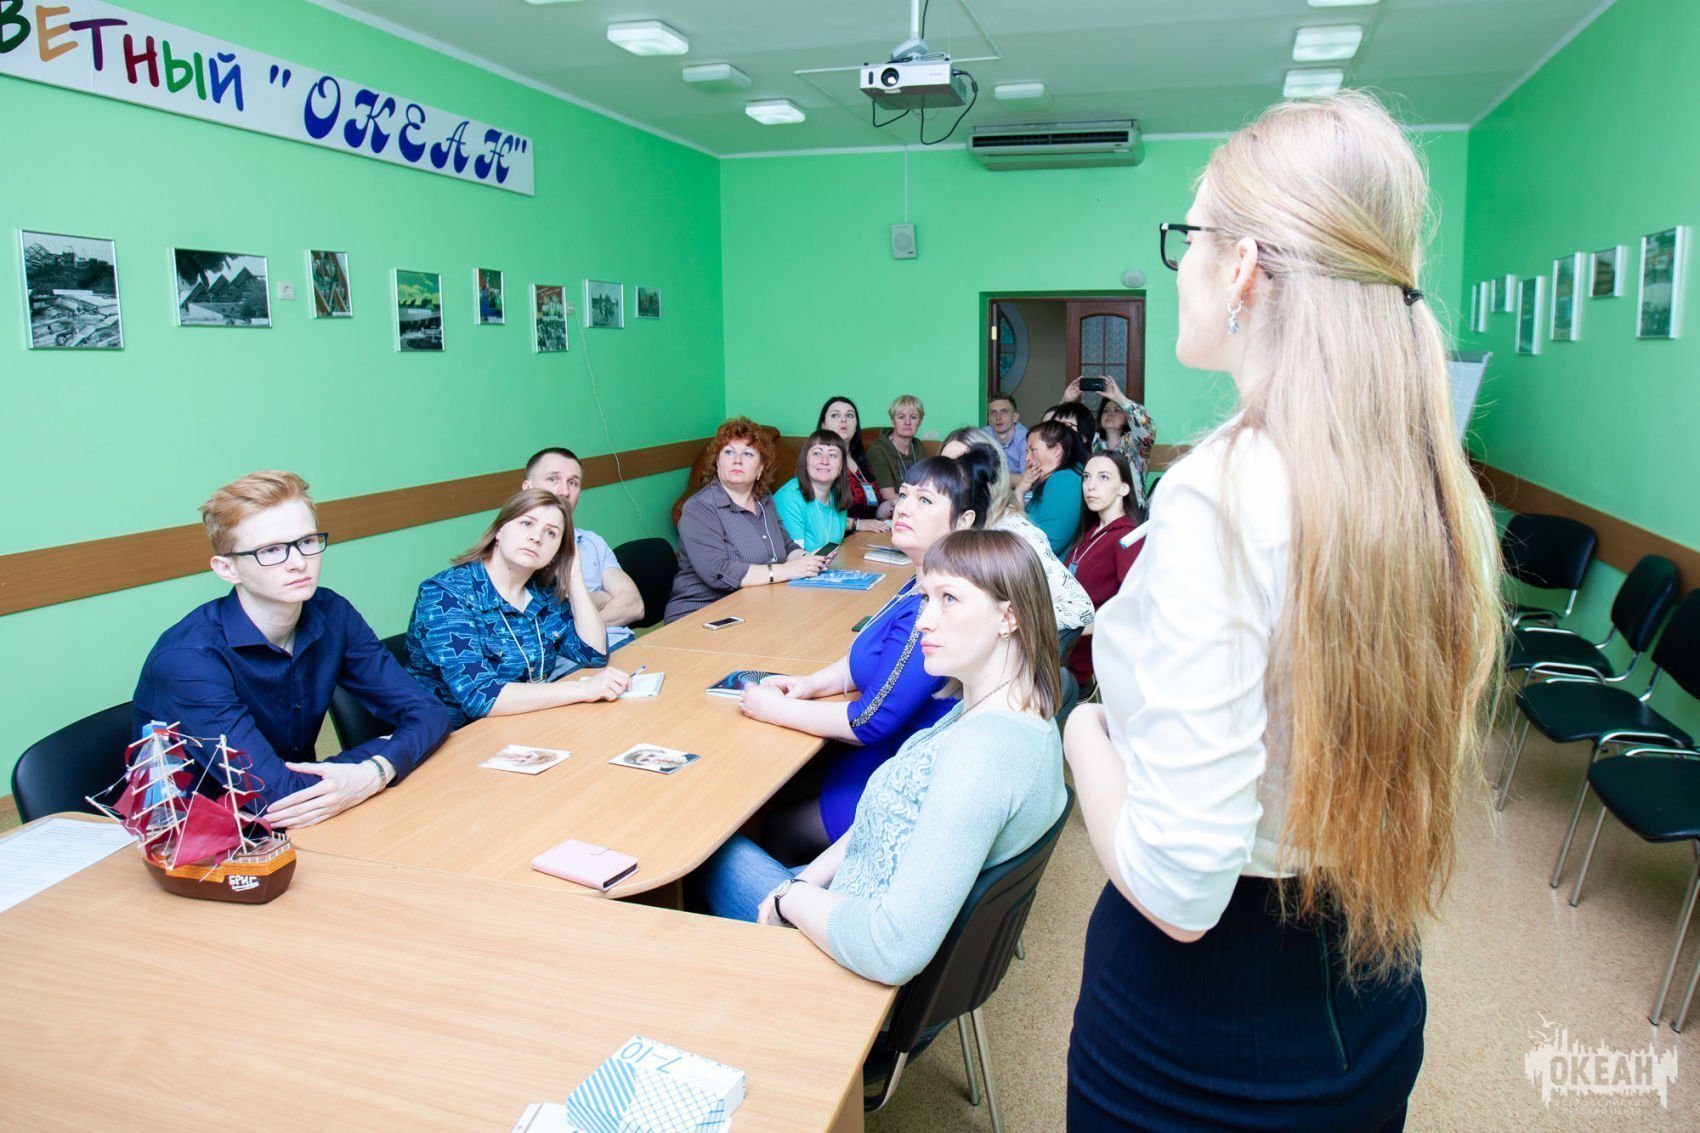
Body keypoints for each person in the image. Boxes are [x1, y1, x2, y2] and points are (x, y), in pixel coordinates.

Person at [1063, 91, 1502, 1130]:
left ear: (1243, 268)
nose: (1179, 264)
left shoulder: (1223, 488)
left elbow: (1179, 887)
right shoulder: (1428, 482)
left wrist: (1082, 732)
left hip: (1198, 1027)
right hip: (1366, 984)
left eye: (1186, 237)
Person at [700, 528, 1069, 986]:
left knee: (704, 853)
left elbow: (892, 949)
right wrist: (802, 884)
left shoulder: (983, 755)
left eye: (949, 599)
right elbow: (877, 822)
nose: (923, 622)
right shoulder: (999, 708)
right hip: (848, 901)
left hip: (850, 958)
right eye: (927, 599)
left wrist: (788, 900)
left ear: (1007, 617)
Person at [132, 471, 451, 828]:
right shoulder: (188, 659)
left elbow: (430, 713)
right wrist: (389, 752)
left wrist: (375, 769)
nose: (298, 562)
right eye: (271, 550)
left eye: (307, 541)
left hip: (313, 818)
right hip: (209, 839)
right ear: (227, 569)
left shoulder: (332, 612)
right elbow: (274, 798)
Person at [737, 452, 996, 860]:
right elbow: (869, 658)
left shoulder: (934, 605)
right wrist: (810, 684)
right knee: (767, 793)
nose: (904, 508)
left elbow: (869, 721)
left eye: (925, 501)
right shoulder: (921, 580)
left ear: (963, 521)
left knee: (772, 826)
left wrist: (772, 709)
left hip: (893, 778)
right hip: (883, 754)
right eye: (904, 495)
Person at [406, 489, 630, 729]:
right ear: (499, 530)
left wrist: (574, 576)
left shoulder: (541, 591)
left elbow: (593, 654)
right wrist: (583, 689)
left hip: (524, 723)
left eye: (551, 533)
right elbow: (481, 697)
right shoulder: (445, 594)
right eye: (526, 523)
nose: (536, 537)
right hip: (453, 736)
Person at [665, 418, 829, 622]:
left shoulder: (764, 498)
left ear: (760, 468)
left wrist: (807, 560)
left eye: (748, 454)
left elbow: (786, 544)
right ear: (717, 462)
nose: (737, 460)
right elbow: (719, 571)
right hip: (701, 614)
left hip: (755, 605)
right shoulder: (698, 508)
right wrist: (786, 570)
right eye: (729, 452)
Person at [942, 427, 1094, 644]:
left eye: (961, 467)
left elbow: (1081, 609)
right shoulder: (955, 519)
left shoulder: (1012, 529)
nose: (946, 477)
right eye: (943, 466)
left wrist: (1001, 621)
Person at [521, 447, 643, 652]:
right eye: (553, 479)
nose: (564, 491)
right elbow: (539, 626)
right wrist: (601, 599)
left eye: (573, 482)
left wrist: (585, 624)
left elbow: (635, 605)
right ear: (528, 488)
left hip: (622, 645)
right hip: (569, 663)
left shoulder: (591, 542)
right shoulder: (520, 549)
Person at [1063, 453, 1142, 692]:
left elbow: (1131, 610)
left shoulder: (1129, 539)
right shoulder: (1092, 530)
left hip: (1084, 661)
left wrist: (1069, 632)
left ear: (1124, 488)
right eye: (1087, 477)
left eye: (1104, 477)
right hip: (1062, 649)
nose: (1091, 486)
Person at [773, 430, 883, 550]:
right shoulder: (789, 498)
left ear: (841, 466)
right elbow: (796, 557)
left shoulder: (837, 495)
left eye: (833, 455)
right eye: (817, 453)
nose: (824, 461)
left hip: (828, 561)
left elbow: (830, 545)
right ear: (805, 461)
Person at [1064, 375, 1157, 516]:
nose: (1110, 414)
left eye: (1117, 410)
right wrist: (1066, 401)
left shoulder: (1136, 442)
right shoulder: (1092, 440)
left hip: (1130, 511)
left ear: (1127, 417)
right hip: (1095, 510)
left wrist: (1120, 398)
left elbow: (1148, 427)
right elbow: (1060, 436)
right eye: (1106, 410)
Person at [1020, 419, 1091, 555]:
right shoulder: (1056, 479)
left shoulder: (1064, 480)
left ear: (1057, 450)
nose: (1027, 458)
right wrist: (1020, 489)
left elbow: (1048, 543)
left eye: (1033, 450)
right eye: (1026, 451)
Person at [816, 396, 888, 520]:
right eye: (835, 415)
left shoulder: (862, 461)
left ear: (856, 427)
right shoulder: (816, 461)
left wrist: (891, 506)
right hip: (840, 531)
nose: (843, 420)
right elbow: (815, 513)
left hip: (873, 528)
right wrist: (857, 524)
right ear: (823, 425)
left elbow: (874, 508)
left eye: (849, 415)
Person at [865, 395, 928, 506]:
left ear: (920, 421)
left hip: (918, 504)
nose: (907, 422)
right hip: (891, 508)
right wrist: (922, 502)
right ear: (893, 420)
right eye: (901, 417)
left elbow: (927, 484)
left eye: (913, 417)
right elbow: (887, 496)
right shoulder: (878, 450)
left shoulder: (918, 446)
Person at [987, 393, 1028, 474]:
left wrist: (993, 476)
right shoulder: (983, 436)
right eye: (993, 413)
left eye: (1004, 412)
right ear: (989, 420)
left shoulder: (1026, 438)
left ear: (1015, 417)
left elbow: (1026, 478)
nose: (998, 417)